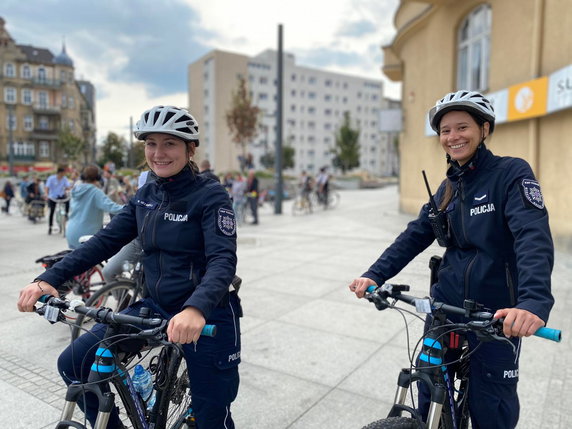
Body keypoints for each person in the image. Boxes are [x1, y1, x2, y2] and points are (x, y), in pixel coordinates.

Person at [17, 105, 241, 429]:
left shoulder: (211, 196)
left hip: (208, 312)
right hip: (156, 306)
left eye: (169, 143)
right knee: (74, 365)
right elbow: (105, 241)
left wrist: (196, 309)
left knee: (211, 418)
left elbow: (223, 259)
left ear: (190, 149)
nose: (158, 153)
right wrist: (49, 279)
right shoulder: (146, 194)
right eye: (151, 143)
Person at [349, 91, 554, 429]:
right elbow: (414, 236)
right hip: (445, 308)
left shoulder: (510, 173)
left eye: (462, 127)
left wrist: (532, 302)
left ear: (484, 129)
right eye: (445, 130)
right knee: (427, 385)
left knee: (491, 408)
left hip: (496, 316)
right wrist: (374, 275)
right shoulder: (446, 189)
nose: (453, 137)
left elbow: (533, 237)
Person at [65, 165, 124, 249]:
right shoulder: (95, 192)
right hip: (86, 234)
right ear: (98, 178)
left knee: (77, 259)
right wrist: (132, 206)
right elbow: (113, 208)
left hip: (71, 232)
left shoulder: (75, 190)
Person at [45, 167, 71, 235]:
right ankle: (50, 227)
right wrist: (46, 195)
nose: (64, 174)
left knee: (67, 201)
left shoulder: (64, 179)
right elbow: (47, 187)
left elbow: (68, 186)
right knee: (52, 211)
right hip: (52, 197)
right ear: (59, 172)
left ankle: (66, 214)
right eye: (63, 172)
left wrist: (69, 188)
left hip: (61, 195)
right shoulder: (51, 178)